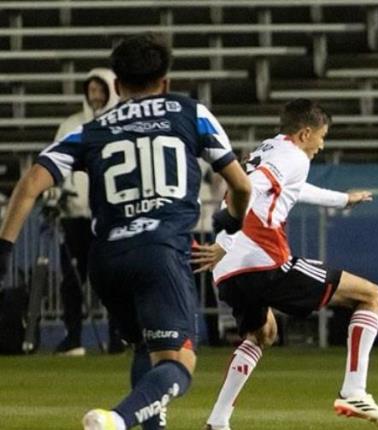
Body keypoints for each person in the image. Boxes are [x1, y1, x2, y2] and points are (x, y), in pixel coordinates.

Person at [0, 34, 252, 430]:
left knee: (146, 347)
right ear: (165, 82)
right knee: (179, 363)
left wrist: (3, 250)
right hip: (160, 252)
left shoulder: (92, 128)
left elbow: (32, 182)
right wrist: (231, 224)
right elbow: (242, 186)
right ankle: (116, 420)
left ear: (117, 86)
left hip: (107, 260)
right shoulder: (190, 113)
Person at [192, 99, 378, 430]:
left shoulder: (270, 148)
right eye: (322, 136)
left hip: (229, 270)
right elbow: (248, 191)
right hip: (262, 260)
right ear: (305, 133)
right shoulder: (294, 156)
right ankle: (354, 390)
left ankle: (218, 421)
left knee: (263, 334)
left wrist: (343, 199)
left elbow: (290, 189)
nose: (322, 145)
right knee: (371, 296)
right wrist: (223, 240)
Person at [52, 68, 124, 356]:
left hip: (108, 217)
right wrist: (57, 196)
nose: (95, 96)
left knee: (112, 280)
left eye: (100, 90)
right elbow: (56, 165)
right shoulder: (71, 125)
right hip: (75, 216)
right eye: (90, 90)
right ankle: (73, 336)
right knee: (72, 280)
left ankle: (117, 337)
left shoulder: (118, 125)